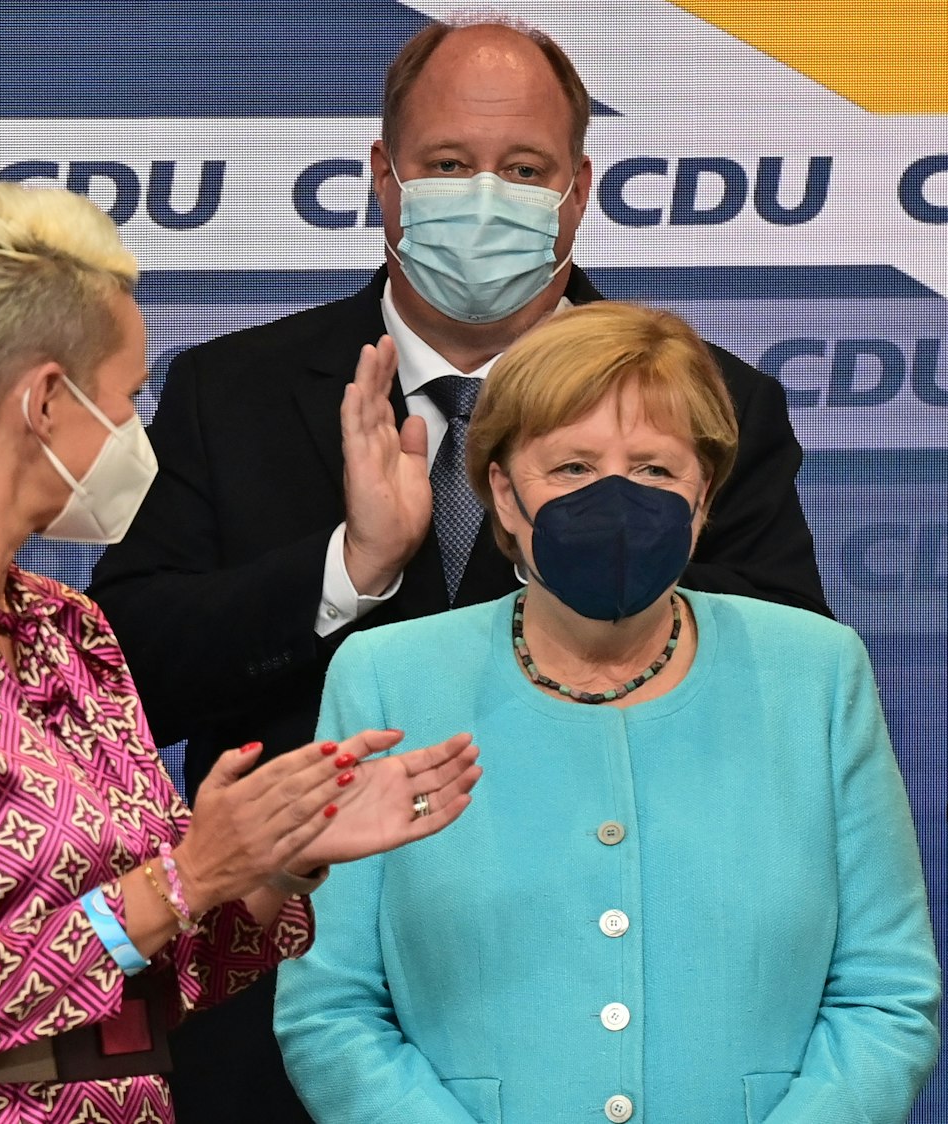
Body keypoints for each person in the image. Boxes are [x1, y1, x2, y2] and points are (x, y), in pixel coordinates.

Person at [86, 16, 831, 1118]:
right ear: (382, 178)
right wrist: (348, 568)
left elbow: (776, 702)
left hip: (609, 1012)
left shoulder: (711, 407)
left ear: (575, 192)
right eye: (446, 164)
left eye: (522, 169)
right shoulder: (231, 391)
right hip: (295, 1019)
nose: (484, 195)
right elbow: (122, 681)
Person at [0, 183, 483, 1123]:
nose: (137, 436)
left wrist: (272, 861)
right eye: (127, 400)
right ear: (44, 400)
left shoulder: (69, 628)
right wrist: (191, 876)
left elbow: (167, 971)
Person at [275, 300, 939, 1122]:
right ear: (504, 495)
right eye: (572, 468)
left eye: (656, 470)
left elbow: (886, 994)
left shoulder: (814, 671)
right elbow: (329, 1006)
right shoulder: (387, 676)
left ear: (703, 500)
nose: (617, 499)